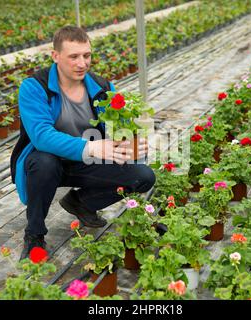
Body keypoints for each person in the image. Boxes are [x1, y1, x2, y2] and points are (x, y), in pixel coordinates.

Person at [10, 26, 155, 260]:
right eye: (74, 57)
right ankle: (34, 234)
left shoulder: (103, 88)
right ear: (55, 56)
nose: (82, 63)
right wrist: (90, 147)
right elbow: (41, 135)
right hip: (49, 161)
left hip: (87, 161)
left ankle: (81, 202)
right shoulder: (35, 87)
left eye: (86, 56)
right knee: (43, 163)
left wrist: (129, 144)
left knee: (144, 176)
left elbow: (119, 127)